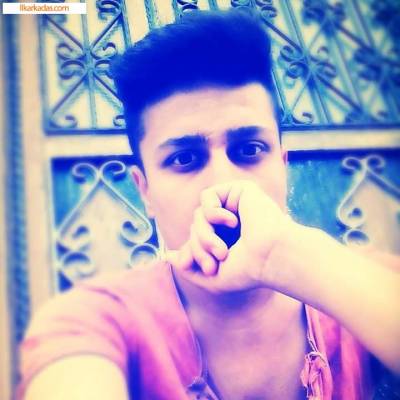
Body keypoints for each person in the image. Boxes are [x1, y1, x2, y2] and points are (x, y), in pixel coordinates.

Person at [17, 9, 399, 400]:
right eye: (184, 159)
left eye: (249, 150)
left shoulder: (355, 281)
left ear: (282, 166)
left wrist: (290, 255)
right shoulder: (94, 319)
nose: (224, 183)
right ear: (144, 191)